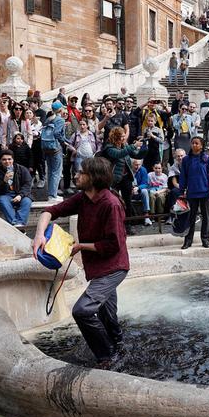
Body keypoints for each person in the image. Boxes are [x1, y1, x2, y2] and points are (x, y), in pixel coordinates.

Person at [34, 156, 129, 369]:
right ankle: (120, 348)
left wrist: (79, 246)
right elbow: (50, 211)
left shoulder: (111, 204)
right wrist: (39, 235)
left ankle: (106, 357)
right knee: (106, 312)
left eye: (80, 172)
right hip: (97, 267)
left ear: (93, 177)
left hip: (113, 267)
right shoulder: (83, 198)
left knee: (82, 310)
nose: (76, 175)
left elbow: (113, 245)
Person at [178, 136, 209, 249]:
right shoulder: (186, 160)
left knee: (206, 216)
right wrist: (181, 190)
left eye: (196, 143)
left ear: (201, 146)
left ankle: (205, 239)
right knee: (190, 217)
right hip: (192, 193)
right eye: (192, 143)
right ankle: (188, 241)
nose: (194, 145)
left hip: (205, 193)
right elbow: (183, 176)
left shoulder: (207, 159)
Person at [0, 151, 33, 227]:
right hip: (5, 194)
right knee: (1, 200)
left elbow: (27, 185)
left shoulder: (22, 169)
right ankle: (15, 223)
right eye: (4, 159)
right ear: (0, 161)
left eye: (9, 159)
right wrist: (5, 181)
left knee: (27, 201)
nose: (7, 161)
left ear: (13, 160)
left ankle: (19, 224)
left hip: (20, 193)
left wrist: (20, 195)